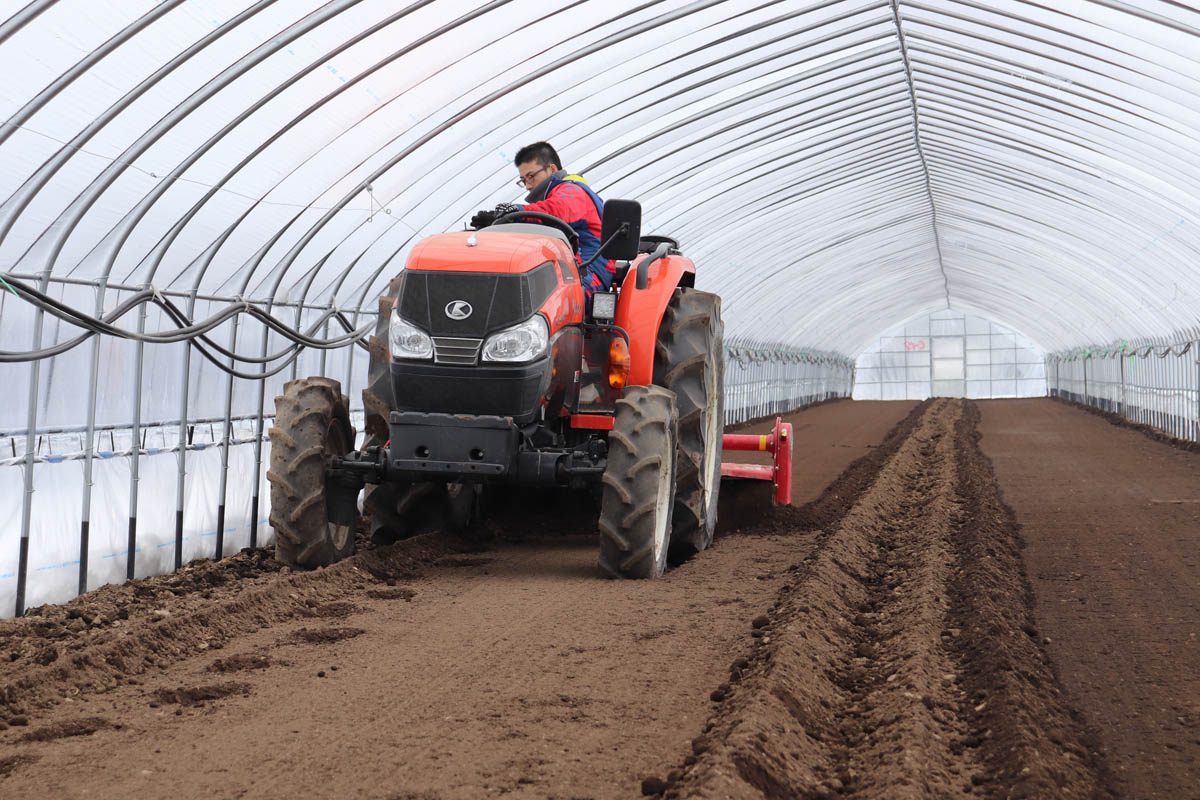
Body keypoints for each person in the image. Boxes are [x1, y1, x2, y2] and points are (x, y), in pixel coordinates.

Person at [471, 142, 615, 301]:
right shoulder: (557, 195)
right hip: (567, 273)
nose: (528, 185)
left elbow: (555, 211)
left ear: (552, 170)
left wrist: (516, 211)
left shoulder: (573, 191)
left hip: (587, 277)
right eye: (523, 180)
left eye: (531, 176)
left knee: (527, 298)